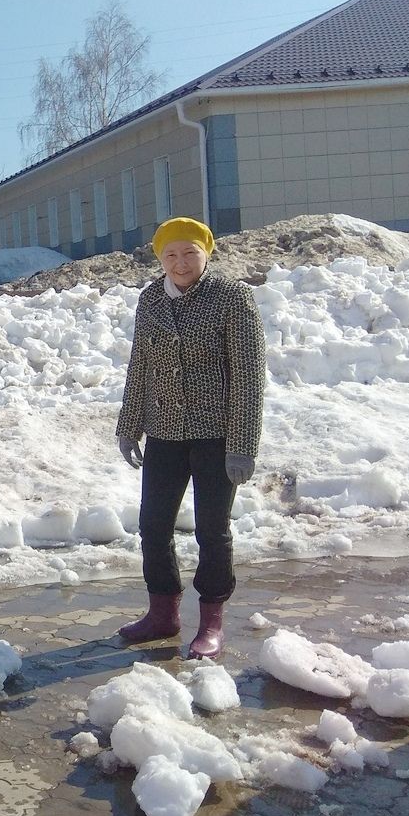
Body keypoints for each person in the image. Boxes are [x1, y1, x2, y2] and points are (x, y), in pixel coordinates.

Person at [116, 217, 266, 658]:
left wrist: (242, 443)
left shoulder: (232, 298)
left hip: (216, 434)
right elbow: (139, 365)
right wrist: (129, 426)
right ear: (160, 258)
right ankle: (162, 612)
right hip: (164, 431)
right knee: (153, 526)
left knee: (212, 531)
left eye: (190, 252)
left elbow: (248, 376)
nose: (180, 262)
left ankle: (211, 622)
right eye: (171, 254)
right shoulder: (150, 300)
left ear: (206, 253)